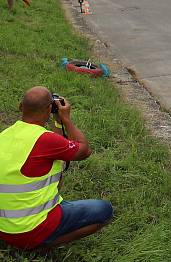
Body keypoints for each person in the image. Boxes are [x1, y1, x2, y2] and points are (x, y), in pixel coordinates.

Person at [0, 87, 113, 251]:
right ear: (49, 109)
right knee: (103, 209)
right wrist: (66, 119)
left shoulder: (5, 135)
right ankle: (42, 245)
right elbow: (84, 151)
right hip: (29, 230)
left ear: (20, 106)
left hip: (4, 228)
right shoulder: (44, 140)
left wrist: (57, 123)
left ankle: (36, 237)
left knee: (62, 202)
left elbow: (57, 149)